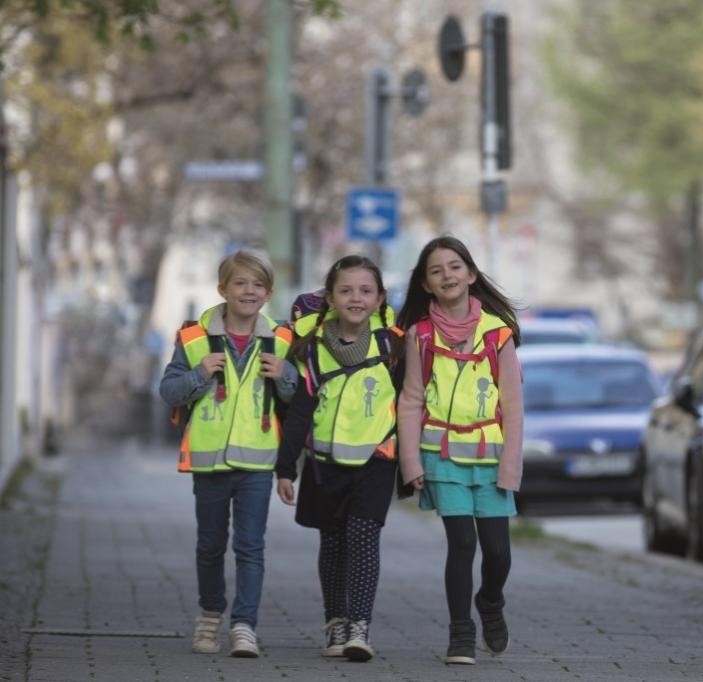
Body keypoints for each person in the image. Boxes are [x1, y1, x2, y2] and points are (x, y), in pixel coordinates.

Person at [159, 249, 298, 658]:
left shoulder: (283, 339)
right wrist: (200, 374)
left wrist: (286, 376)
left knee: (251, 546)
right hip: (210, 460)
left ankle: (244, 626)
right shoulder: (194, 338)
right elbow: (168, 391)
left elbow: (299, 399)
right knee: (209, 544)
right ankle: (209, 615)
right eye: (240, 283)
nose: (249, 291)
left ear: (268, 292)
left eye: (257, 285)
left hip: (258, 461)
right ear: (223, 289)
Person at [395, 235, 523, 666]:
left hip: (491, 456)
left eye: (454, 266)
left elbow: (513, 406)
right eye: (436, 270)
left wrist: (511, 467)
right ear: (426, 285)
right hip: (443, 456)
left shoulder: (497, 335)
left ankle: (490, 601)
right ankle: (460, 634)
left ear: (470, 274)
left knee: (499, 552)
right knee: (462, 543)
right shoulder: (420, 336)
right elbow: (411, 400)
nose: (446, 275)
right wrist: (411, 462)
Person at [275, 255, 403, 662]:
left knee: (364, 538)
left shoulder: (393, 345)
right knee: (332, 543)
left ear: (380, 298)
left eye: (366, 291)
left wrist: (414, 463)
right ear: (329, 297)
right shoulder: (312, 349)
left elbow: (411, 403)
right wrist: (285, 467)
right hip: (323, 464)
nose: (356, 298)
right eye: (346, 290)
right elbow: (299, 411)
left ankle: (359, 628)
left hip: (376, 460)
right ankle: (335, 621)